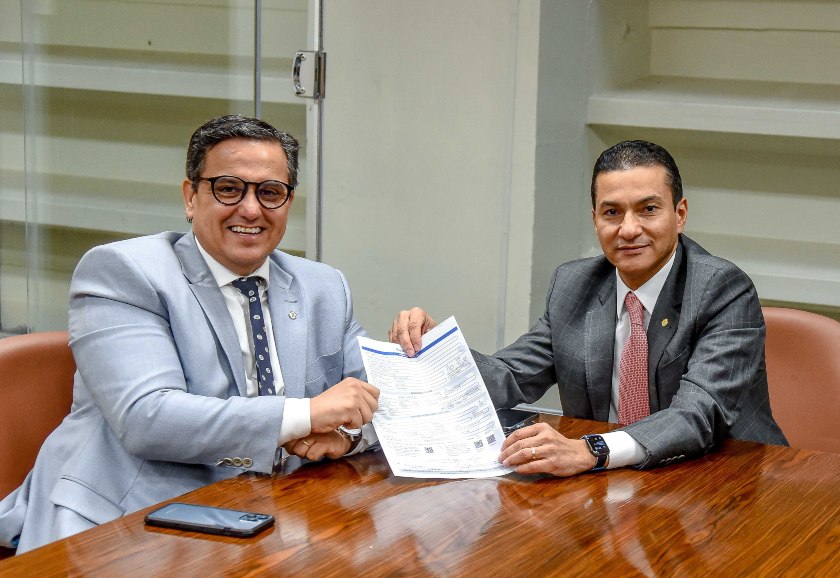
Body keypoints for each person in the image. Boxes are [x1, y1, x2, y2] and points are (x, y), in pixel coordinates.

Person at [0, 114, 379, 553]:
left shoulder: (323, 286)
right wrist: (304, 414)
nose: (251, 209)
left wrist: (347, 435)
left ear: (288, 202)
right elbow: (147, 418)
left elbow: (382, 400)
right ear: (190, 197)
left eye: (270, 192)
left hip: (272, 514)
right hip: (133, 520)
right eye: (228, 188)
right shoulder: (124, 272)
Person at [390, 139, 787, 478]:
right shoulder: (575, 285)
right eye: (612, 212)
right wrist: (437, 350)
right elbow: (510, 376)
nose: (628, 229)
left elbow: (698, 413)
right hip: (610, 484)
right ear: (595, 219)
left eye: (648, 209)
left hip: (722, 481)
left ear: (679, 214)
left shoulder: (721, 288)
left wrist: (592, 449)